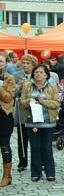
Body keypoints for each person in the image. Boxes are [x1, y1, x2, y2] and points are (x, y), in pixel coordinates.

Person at [20, 64, 60, 181]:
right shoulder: (27, 86)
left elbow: (57, 103)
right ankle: (36, 173)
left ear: (46, 75)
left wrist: (44, 102)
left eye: (41, 72)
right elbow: (22, 102)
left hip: (48, 122)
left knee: (47, 147)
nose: (38, 74)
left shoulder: (52, 86)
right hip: (32, 121)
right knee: (35, 147)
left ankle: (50, 172)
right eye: (36, 72)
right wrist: (29, 101)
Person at [12, 54, 35, 172]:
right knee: (22, 137)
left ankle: (38, 161)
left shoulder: (37, 74)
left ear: (33, 65)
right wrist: (19, 86)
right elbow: (12, 92)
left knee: (35, 137)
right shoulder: (16, 75)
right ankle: (23, 161)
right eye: (23, 63)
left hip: (35, 109)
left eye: (28, 63)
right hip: (22, 109)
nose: (25, 65)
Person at [0, 52, 16, 187]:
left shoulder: (9, 78)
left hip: (4, 115)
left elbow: (8, 98)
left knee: (4, 144)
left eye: (1, 61)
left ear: (6, 64)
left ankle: (7, 175)